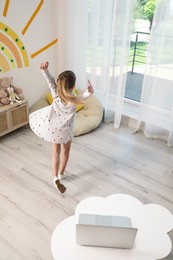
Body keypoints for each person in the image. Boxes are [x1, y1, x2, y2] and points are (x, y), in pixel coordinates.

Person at [29, 61, 94, 193]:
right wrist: (90, 92)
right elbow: (83, 96)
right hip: (65, 132)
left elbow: (50, 81)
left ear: (59, 84)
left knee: (55, 152)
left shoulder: (55, 93)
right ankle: (61, 174)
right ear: (74, 85)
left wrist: (44, 70)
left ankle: (54, 178)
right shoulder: (75, 99)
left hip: (53, 128)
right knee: (66, 151)